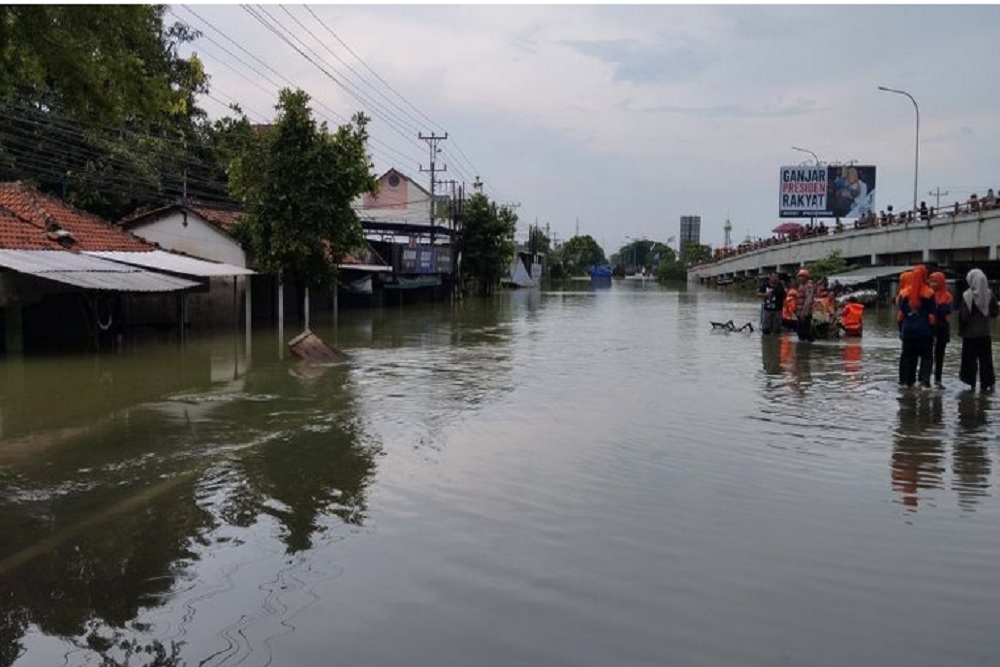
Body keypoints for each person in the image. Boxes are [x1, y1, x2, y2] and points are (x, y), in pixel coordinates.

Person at [958, 268, 999, 392]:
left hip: (970, 335)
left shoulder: (966, 296)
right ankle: (986, 384)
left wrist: (962, 330)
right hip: (985, 334)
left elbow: (963, 317)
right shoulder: (990, 295)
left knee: (970, 361)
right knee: (986, 360)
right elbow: (995, 312)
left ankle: (971, 384)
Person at [897, 265, 936, 389]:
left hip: (908, 331)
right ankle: (924, 382)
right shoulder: (929, 293)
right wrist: (933, 331)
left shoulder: (904, 293)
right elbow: (932, 317)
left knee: (908, 357)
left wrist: (901, 331)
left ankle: (907, 382)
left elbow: (901, 315)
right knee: (926, 357)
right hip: (924, 331)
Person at [928, 271, 953, 389]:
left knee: (939, 355)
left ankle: (938, 379)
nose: (932, 284)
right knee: (927, 354)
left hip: (942, 329)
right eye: (931, 281)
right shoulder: (927, 294)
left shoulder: (947, 296)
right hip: (929, 328)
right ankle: (925, 378)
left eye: (935, 281)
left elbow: (948, 314)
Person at [795, 268, 815, 342]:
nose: (801, 278)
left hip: (805, 312)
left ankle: (809, 346)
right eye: (800, 276)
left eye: (803, 276)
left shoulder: (809, 286)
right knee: (800, 331)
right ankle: (802, 349)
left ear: (806, 277)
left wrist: (804, 312)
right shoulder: (800, 286)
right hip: (799, 312)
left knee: (806, 331)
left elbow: (808, 300)